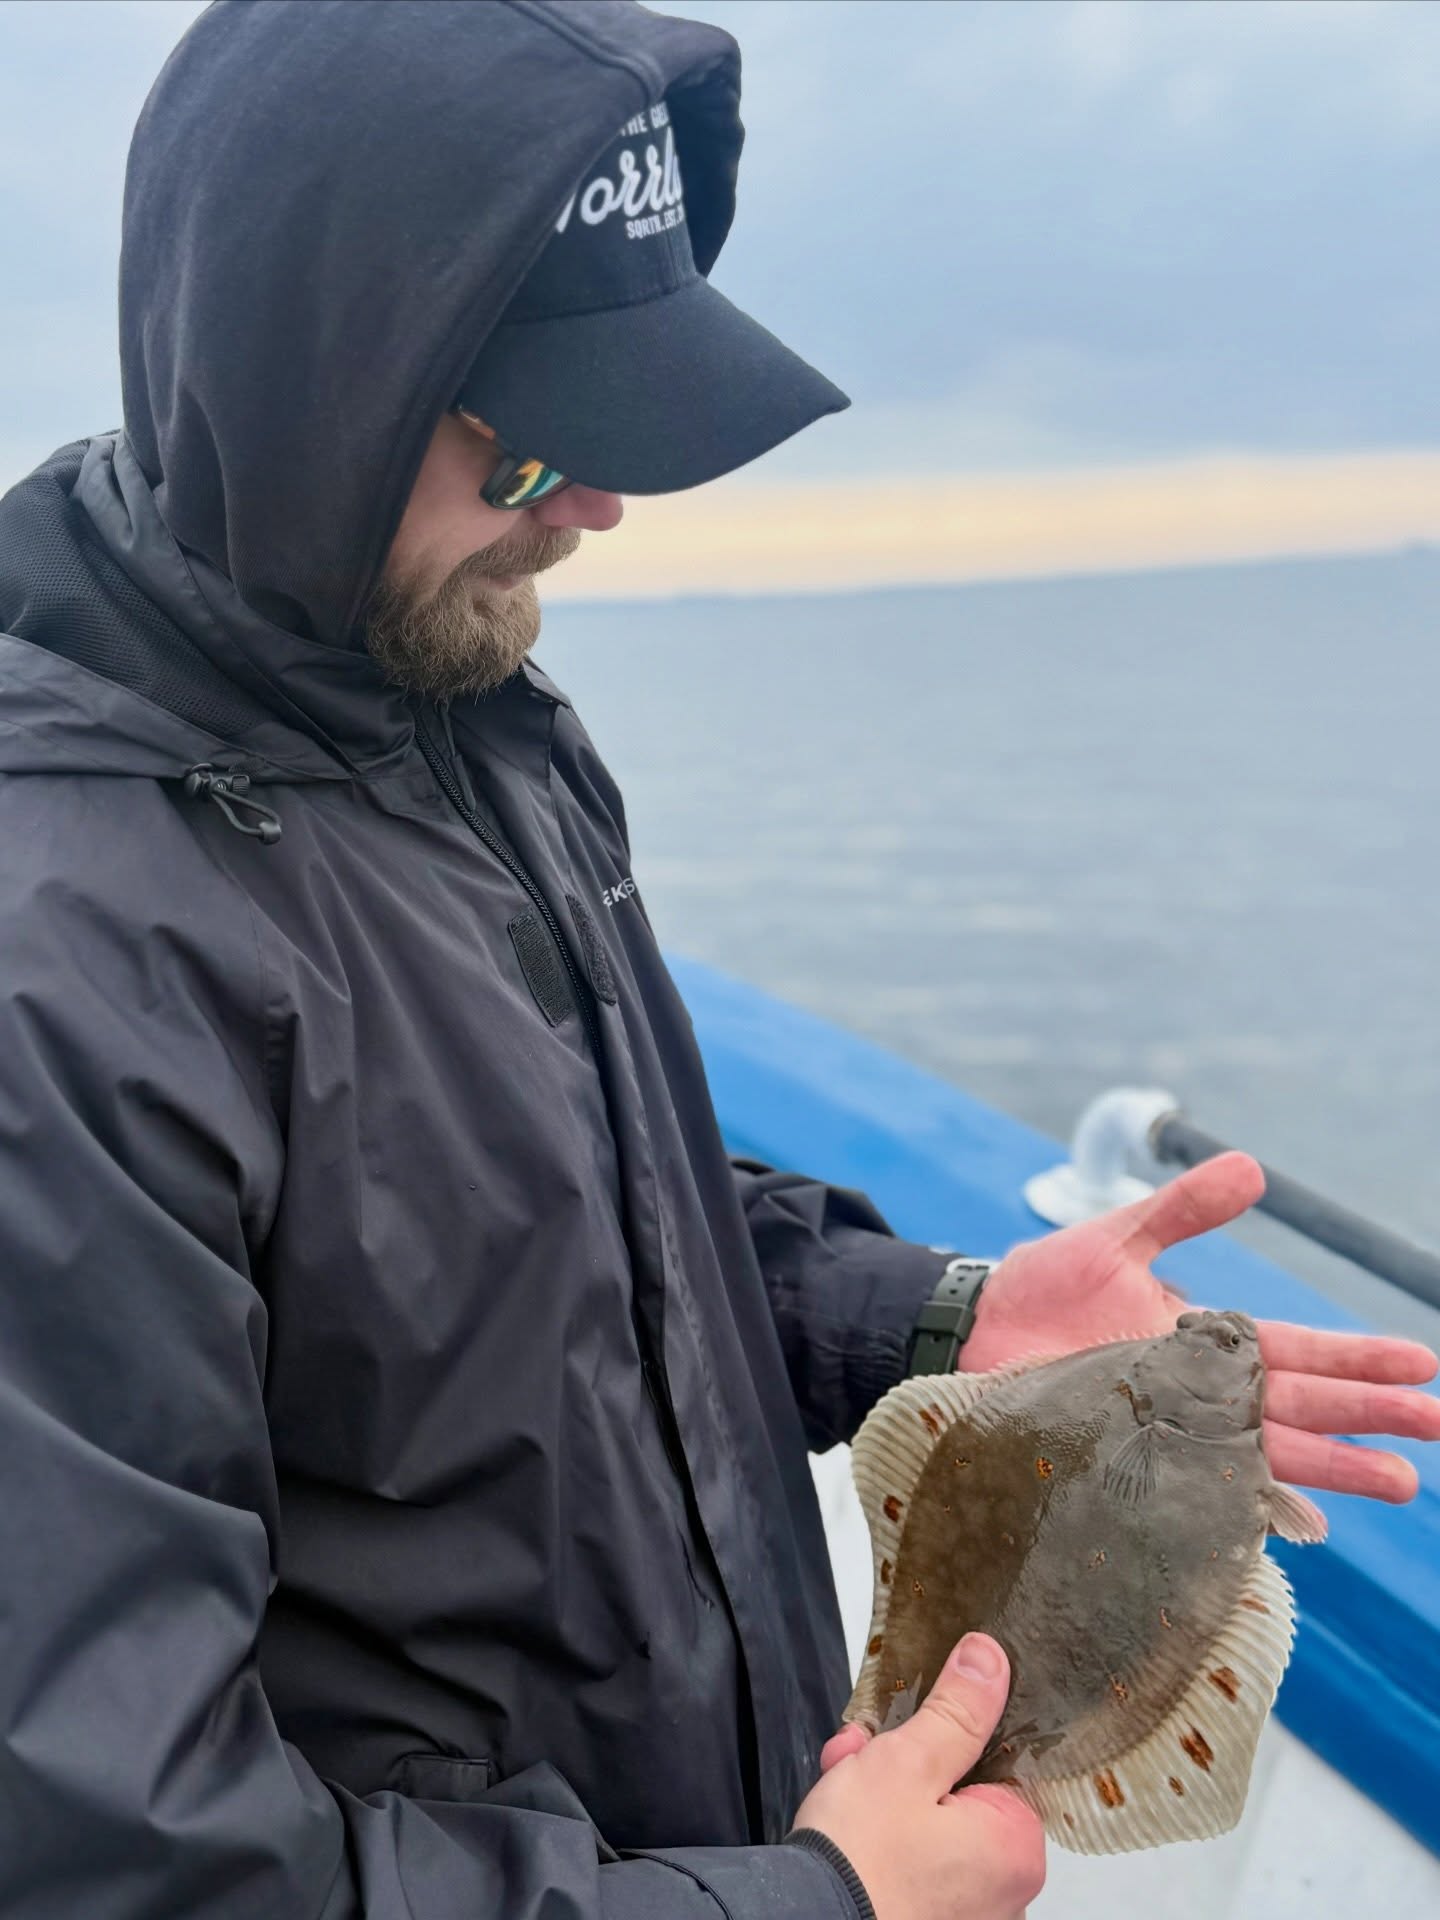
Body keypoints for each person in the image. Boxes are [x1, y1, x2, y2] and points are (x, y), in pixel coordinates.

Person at [0, 5, 1435, 1917]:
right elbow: (114, 1861)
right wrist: (818, 1906)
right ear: (306, 394)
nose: (596, 507)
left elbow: (559, 1232)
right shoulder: (57, 968)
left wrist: (932, 1320)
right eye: (533, 448)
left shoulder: (470, 726)